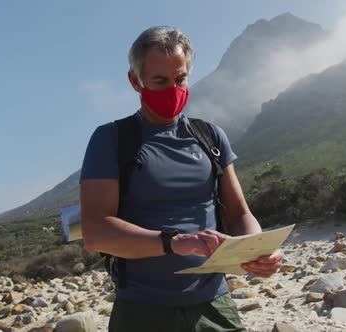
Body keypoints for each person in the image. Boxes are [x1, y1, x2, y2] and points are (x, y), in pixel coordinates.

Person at [79, 26, 283, 332]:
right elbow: (96, 232)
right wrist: (175, 242)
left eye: (180, 79)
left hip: (214, 303)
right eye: (159, 81)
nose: (172, 90)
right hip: (142, 309)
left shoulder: (210, 136)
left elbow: (240, 213)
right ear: (136, 81)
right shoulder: (111, 139)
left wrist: (257, 249)